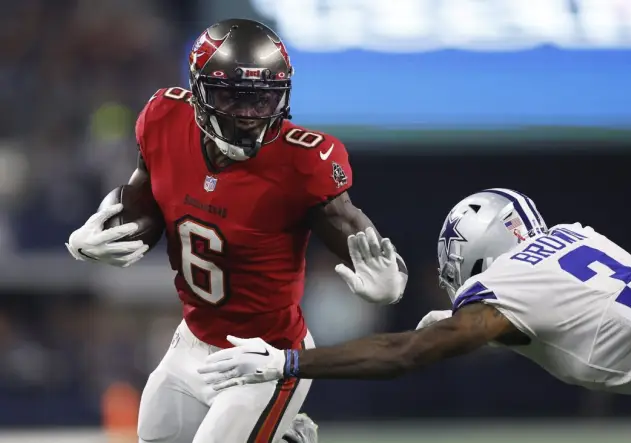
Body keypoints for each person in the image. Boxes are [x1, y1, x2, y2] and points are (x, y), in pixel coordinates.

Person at [65, 18, 408, 443]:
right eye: (233, 97)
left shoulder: (304, 160)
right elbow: (145, 203)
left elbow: (351, 226)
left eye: (262, 101)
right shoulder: (164, 117)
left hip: (265, 356)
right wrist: (101, 230)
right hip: (190, 340)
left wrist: (391, 276)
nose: (248, 116)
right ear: (199, 91)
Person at [201, 188, 631, 400]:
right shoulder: (578, 236)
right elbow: (576, 310)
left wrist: (286, 362)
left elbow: (405, 354)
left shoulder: (506, 284)